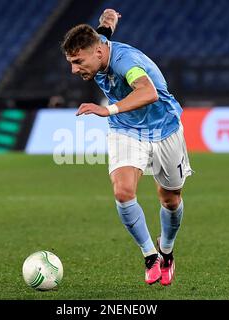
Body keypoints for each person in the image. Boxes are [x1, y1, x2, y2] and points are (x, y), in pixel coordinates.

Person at [61, 9, 193, 286]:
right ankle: (150, 256)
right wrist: (109, 20)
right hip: (126, 129)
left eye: (77, 62)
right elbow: (103, 33)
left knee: (170, 199)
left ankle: (166, 250)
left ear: (98, 53)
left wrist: (107, 110)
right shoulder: (98, 47)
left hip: (164, 129)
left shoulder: (127, 62)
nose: (74, 69)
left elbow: (148, 92)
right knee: (122, 192)